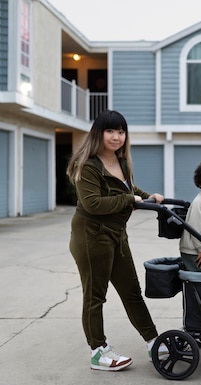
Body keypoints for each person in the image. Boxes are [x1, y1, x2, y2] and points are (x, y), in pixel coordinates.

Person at [66, 109, 165, 371]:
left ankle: (153, 341)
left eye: (121, 131)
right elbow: (94, 203)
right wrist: (130, 200)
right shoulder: (87, 165)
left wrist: (148, 197)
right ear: (98, 133)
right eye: (110, 131)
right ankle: (98, 351)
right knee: (95, 296)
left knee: (132, 291)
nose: (116, 136)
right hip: (91, 235)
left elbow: (129, 190)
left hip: (117, 234)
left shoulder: (121, 162)